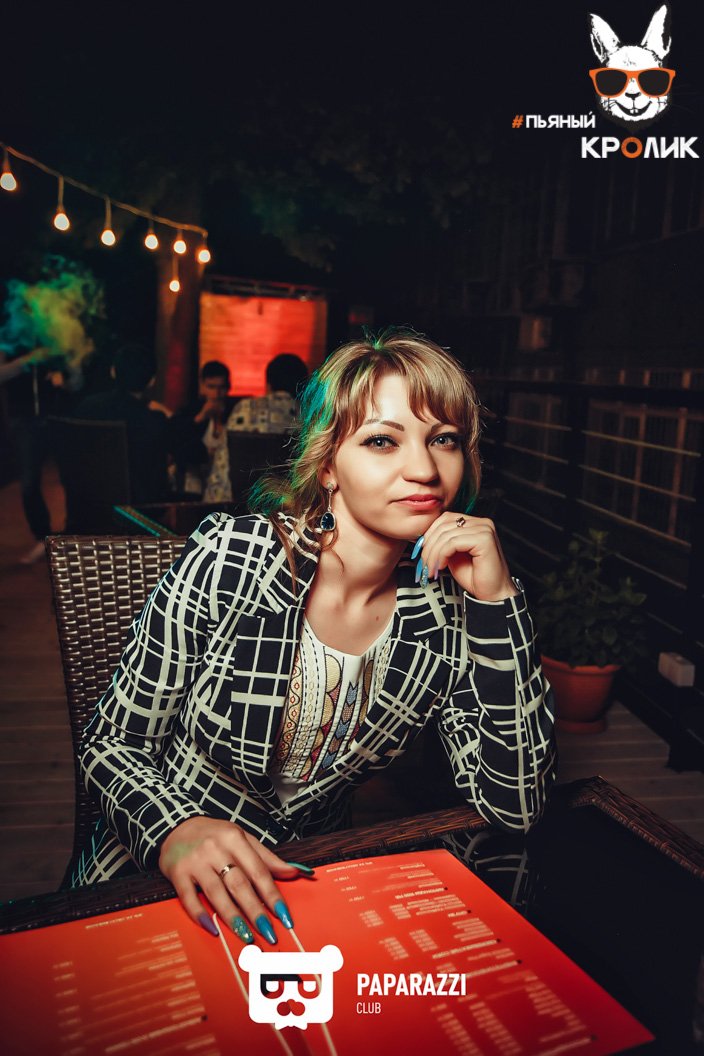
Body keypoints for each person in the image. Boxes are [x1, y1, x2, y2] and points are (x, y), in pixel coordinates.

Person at [74, 329, 556, 948]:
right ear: (327, 465)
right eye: (382, 440)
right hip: (157, 877)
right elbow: (110, 742)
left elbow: (515, 804)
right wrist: (175, 830)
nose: (424, 469)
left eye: (444, 439)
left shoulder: (450, 614)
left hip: (306, 890)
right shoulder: (234, 559)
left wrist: (498, 603)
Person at [76, 343, 170, 503]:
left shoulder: (87, 407)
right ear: (152, 380)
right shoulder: (153, 420)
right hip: (138, 510)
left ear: (113, 372)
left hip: (88, 502)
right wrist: (169, 415)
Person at [169, 360, 236, 502]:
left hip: (226, 482)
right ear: (203, 386)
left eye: (221, 387)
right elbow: (176, 441)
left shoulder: (235, 412)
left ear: (228, 387)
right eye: (211, 387)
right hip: (196, 481)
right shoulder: (190, 410)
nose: (216, 393)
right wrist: (200, 418)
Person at [227, 352, 308, 434]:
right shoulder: (308, 415)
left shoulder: (243, 407)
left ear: (268, 385)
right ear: (304, 386)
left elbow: (227, 439)